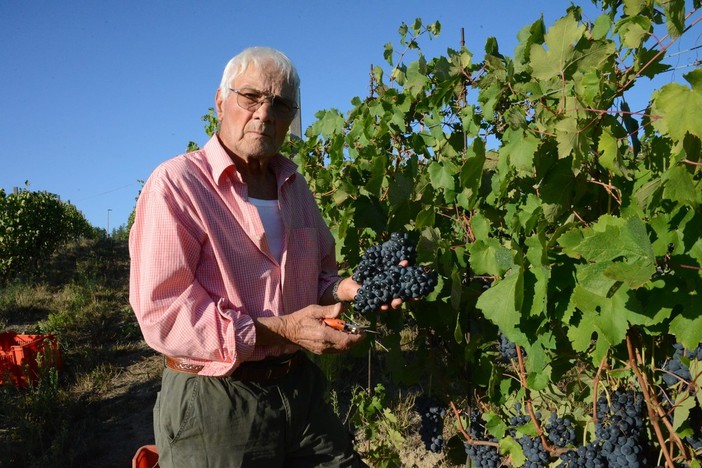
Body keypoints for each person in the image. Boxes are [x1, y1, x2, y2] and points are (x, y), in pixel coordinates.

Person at [129, 46, 402, 467]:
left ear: (291, 117)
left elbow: (317, 281)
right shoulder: (177, 186)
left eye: (280, 103)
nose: (264, 113)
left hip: (299, 388)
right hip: (216, 399)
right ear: (221, 101)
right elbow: (164, 314)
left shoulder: (296, 188)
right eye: (251, 96)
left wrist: (349, 289)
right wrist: (283, 329)